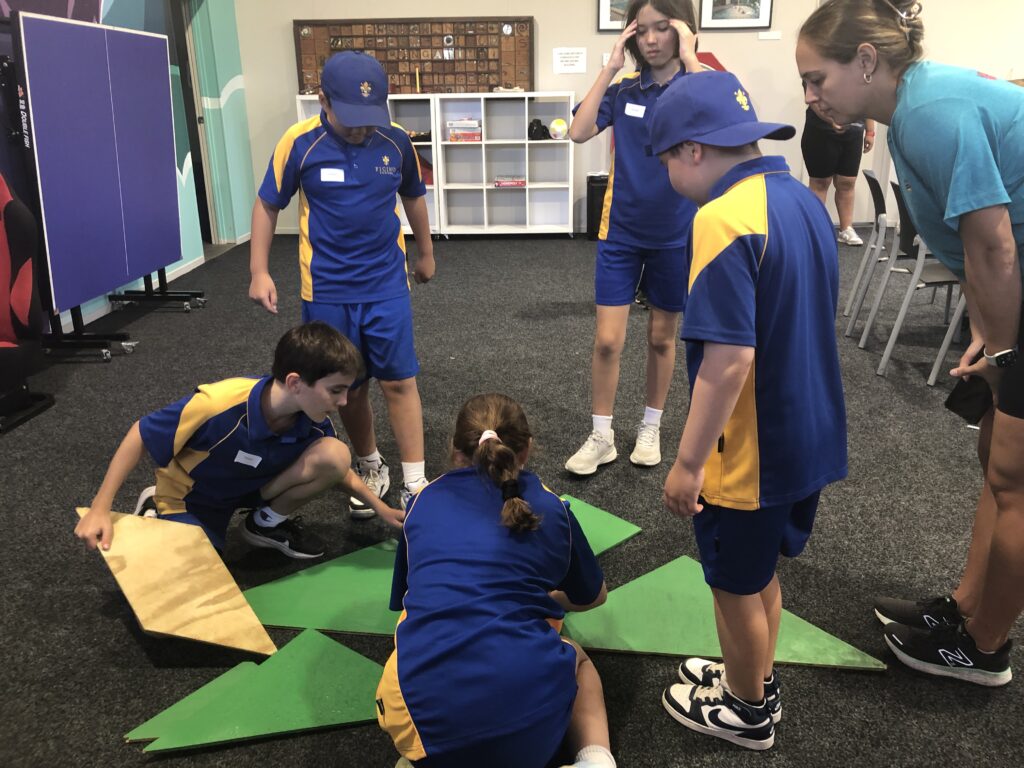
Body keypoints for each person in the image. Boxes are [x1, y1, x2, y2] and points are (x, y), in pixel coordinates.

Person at [798, 0, 1023, 687]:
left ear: (866, 62)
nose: (810, 96)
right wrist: (987, 337)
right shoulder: (914, 110)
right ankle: (964, 609)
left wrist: (1006, 355)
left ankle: (984, 649)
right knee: (996, 457)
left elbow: (993, 244)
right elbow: (978, 248)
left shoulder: (928, 113)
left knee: (1016, 476)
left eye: (817, 79)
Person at [650, 70, 848, 750]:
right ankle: (756, 675)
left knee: (733, 584)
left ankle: (744, 710)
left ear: (693, 150)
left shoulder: (721, 218)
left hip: (750, 453)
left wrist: (686, 464)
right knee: (760, 574)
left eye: (666, 160)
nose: (670, 176)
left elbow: (729, 361)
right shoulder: (799, 199)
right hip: (809, 431)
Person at [376, 393, 615, 768]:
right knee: (580, 660)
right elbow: (594, 597)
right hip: (528, 733)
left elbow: (410, 595)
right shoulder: (553, 509)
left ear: (456, 452)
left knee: (409, 633)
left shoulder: (421, 501)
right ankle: (596, 760)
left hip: (418, 723)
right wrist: (550, 598)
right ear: (528, 449)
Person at [249, 50, 436, 519]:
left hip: (386, 285)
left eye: (369, 118)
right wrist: (258, 270)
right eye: (349, 118)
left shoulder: (395, 142)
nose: (359, 129)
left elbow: (413, 197)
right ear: (322, 100)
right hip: (327, 290)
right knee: (347, 387)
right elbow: (268, 203)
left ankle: (415, 482)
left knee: (400, 380)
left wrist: (426, 252)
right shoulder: (300, 142)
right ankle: (371, 464)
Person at [73, 322, 404, 559]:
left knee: (336, 454)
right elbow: (140, 434)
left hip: (250, 491)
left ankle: (265, 526)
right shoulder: (217, 404)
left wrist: (380, 507)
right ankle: (156, 508)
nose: (344, 402)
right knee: (192, 581)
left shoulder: (313, 421)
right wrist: (101, 508)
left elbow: (338, 470)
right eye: (336, 390)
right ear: (295, 383)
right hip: (194, 499)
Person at [564, 0, 701, 476]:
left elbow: (717, 121)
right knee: (607, 341)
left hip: (677, 233)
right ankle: (602, 435)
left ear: (682, 31)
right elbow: (579, 131)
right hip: (620, 231)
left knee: (663, 339)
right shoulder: (624, 91)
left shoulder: (695, 86)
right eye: (641, 30)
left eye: (663, 28)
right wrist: (609, 68)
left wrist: (692, 56)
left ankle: (651, 425)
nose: (650, 39)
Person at [800, 102, 876, 245]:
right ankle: (816, 230)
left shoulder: (863, 78)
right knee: (820, 182)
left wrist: (870, 131)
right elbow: (812, 98)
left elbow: (867, 99)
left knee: (847, 182)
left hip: (854, 131)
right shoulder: (818, 78)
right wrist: (831, 120)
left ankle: (846, 229)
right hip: (821, 130)